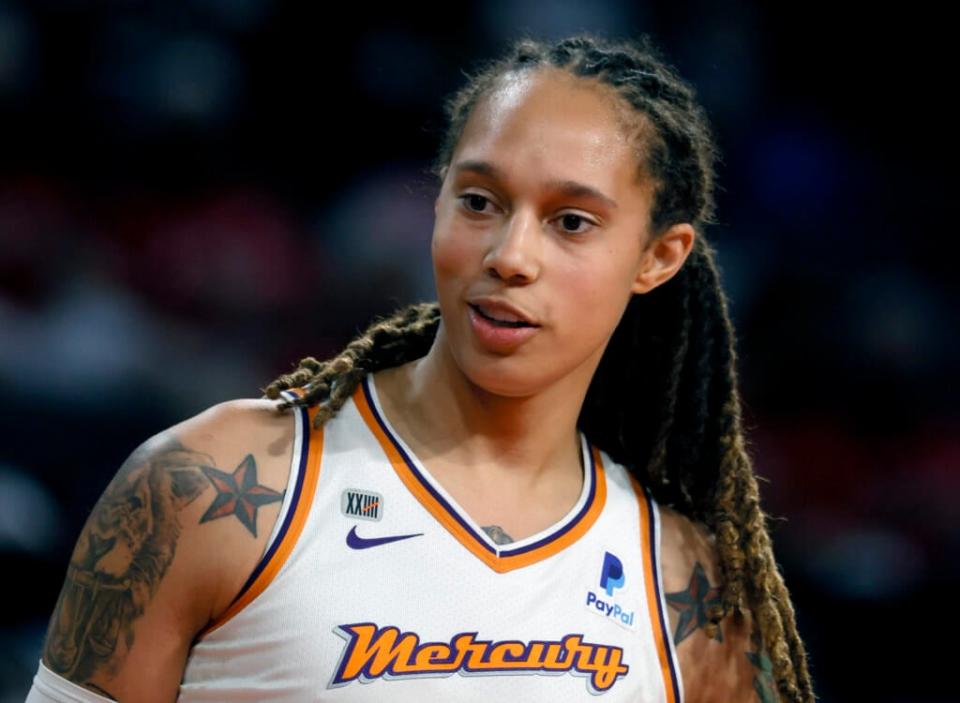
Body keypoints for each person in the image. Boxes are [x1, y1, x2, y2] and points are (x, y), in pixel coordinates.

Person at [27, 33, 816, 702]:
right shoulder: (209, 485)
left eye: (571, 222)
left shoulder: (688, 583)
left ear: (658, 257)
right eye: (478, 201)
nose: (509, 256)